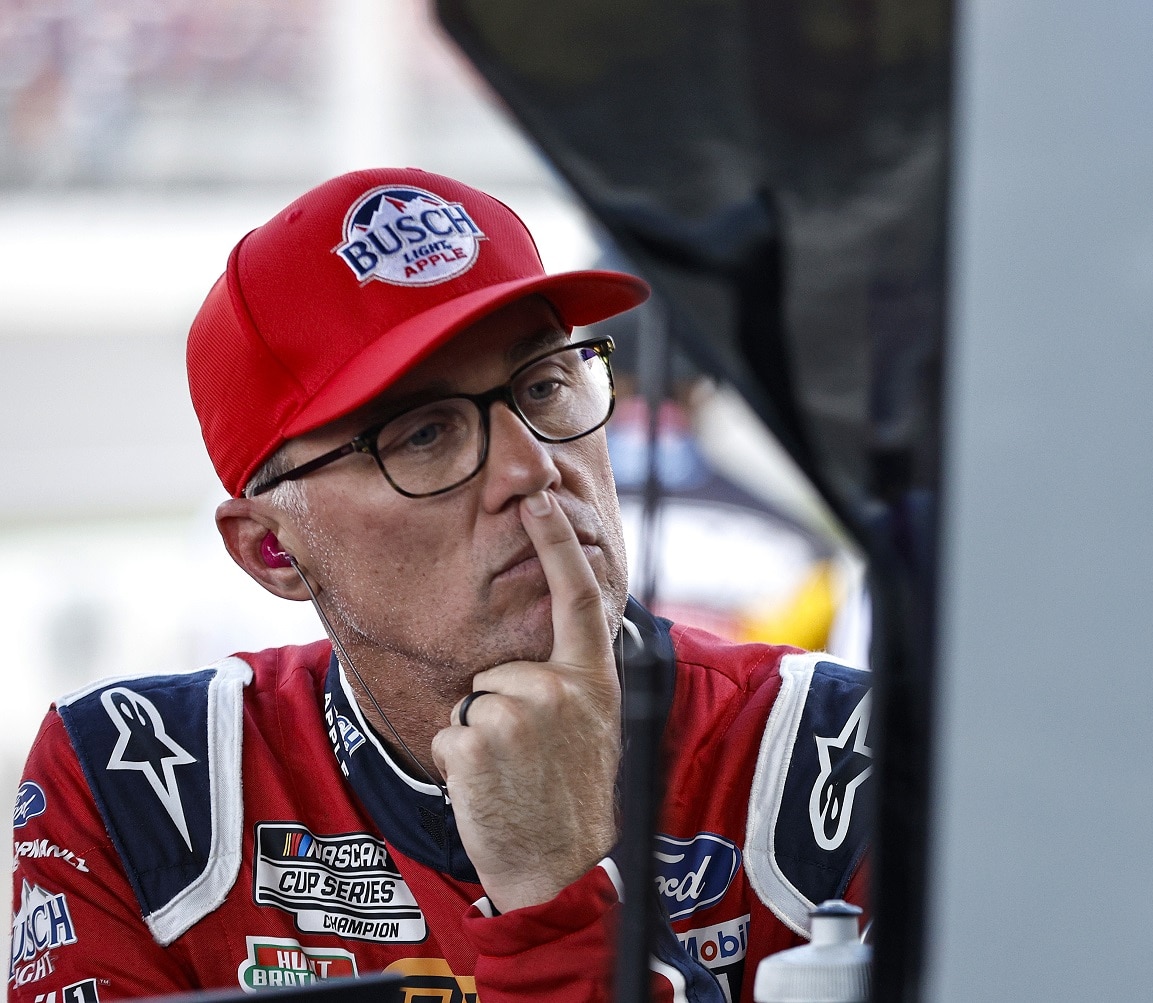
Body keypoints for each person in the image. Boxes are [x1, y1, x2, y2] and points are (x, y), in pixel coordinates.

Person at [9, 168, 872, 1003]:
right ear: (272, 549)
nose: (532, 469)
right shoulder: (140, 783)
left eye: (545, 384)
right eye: (423, 434)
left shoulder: (849, 753)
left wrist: (561, 888)